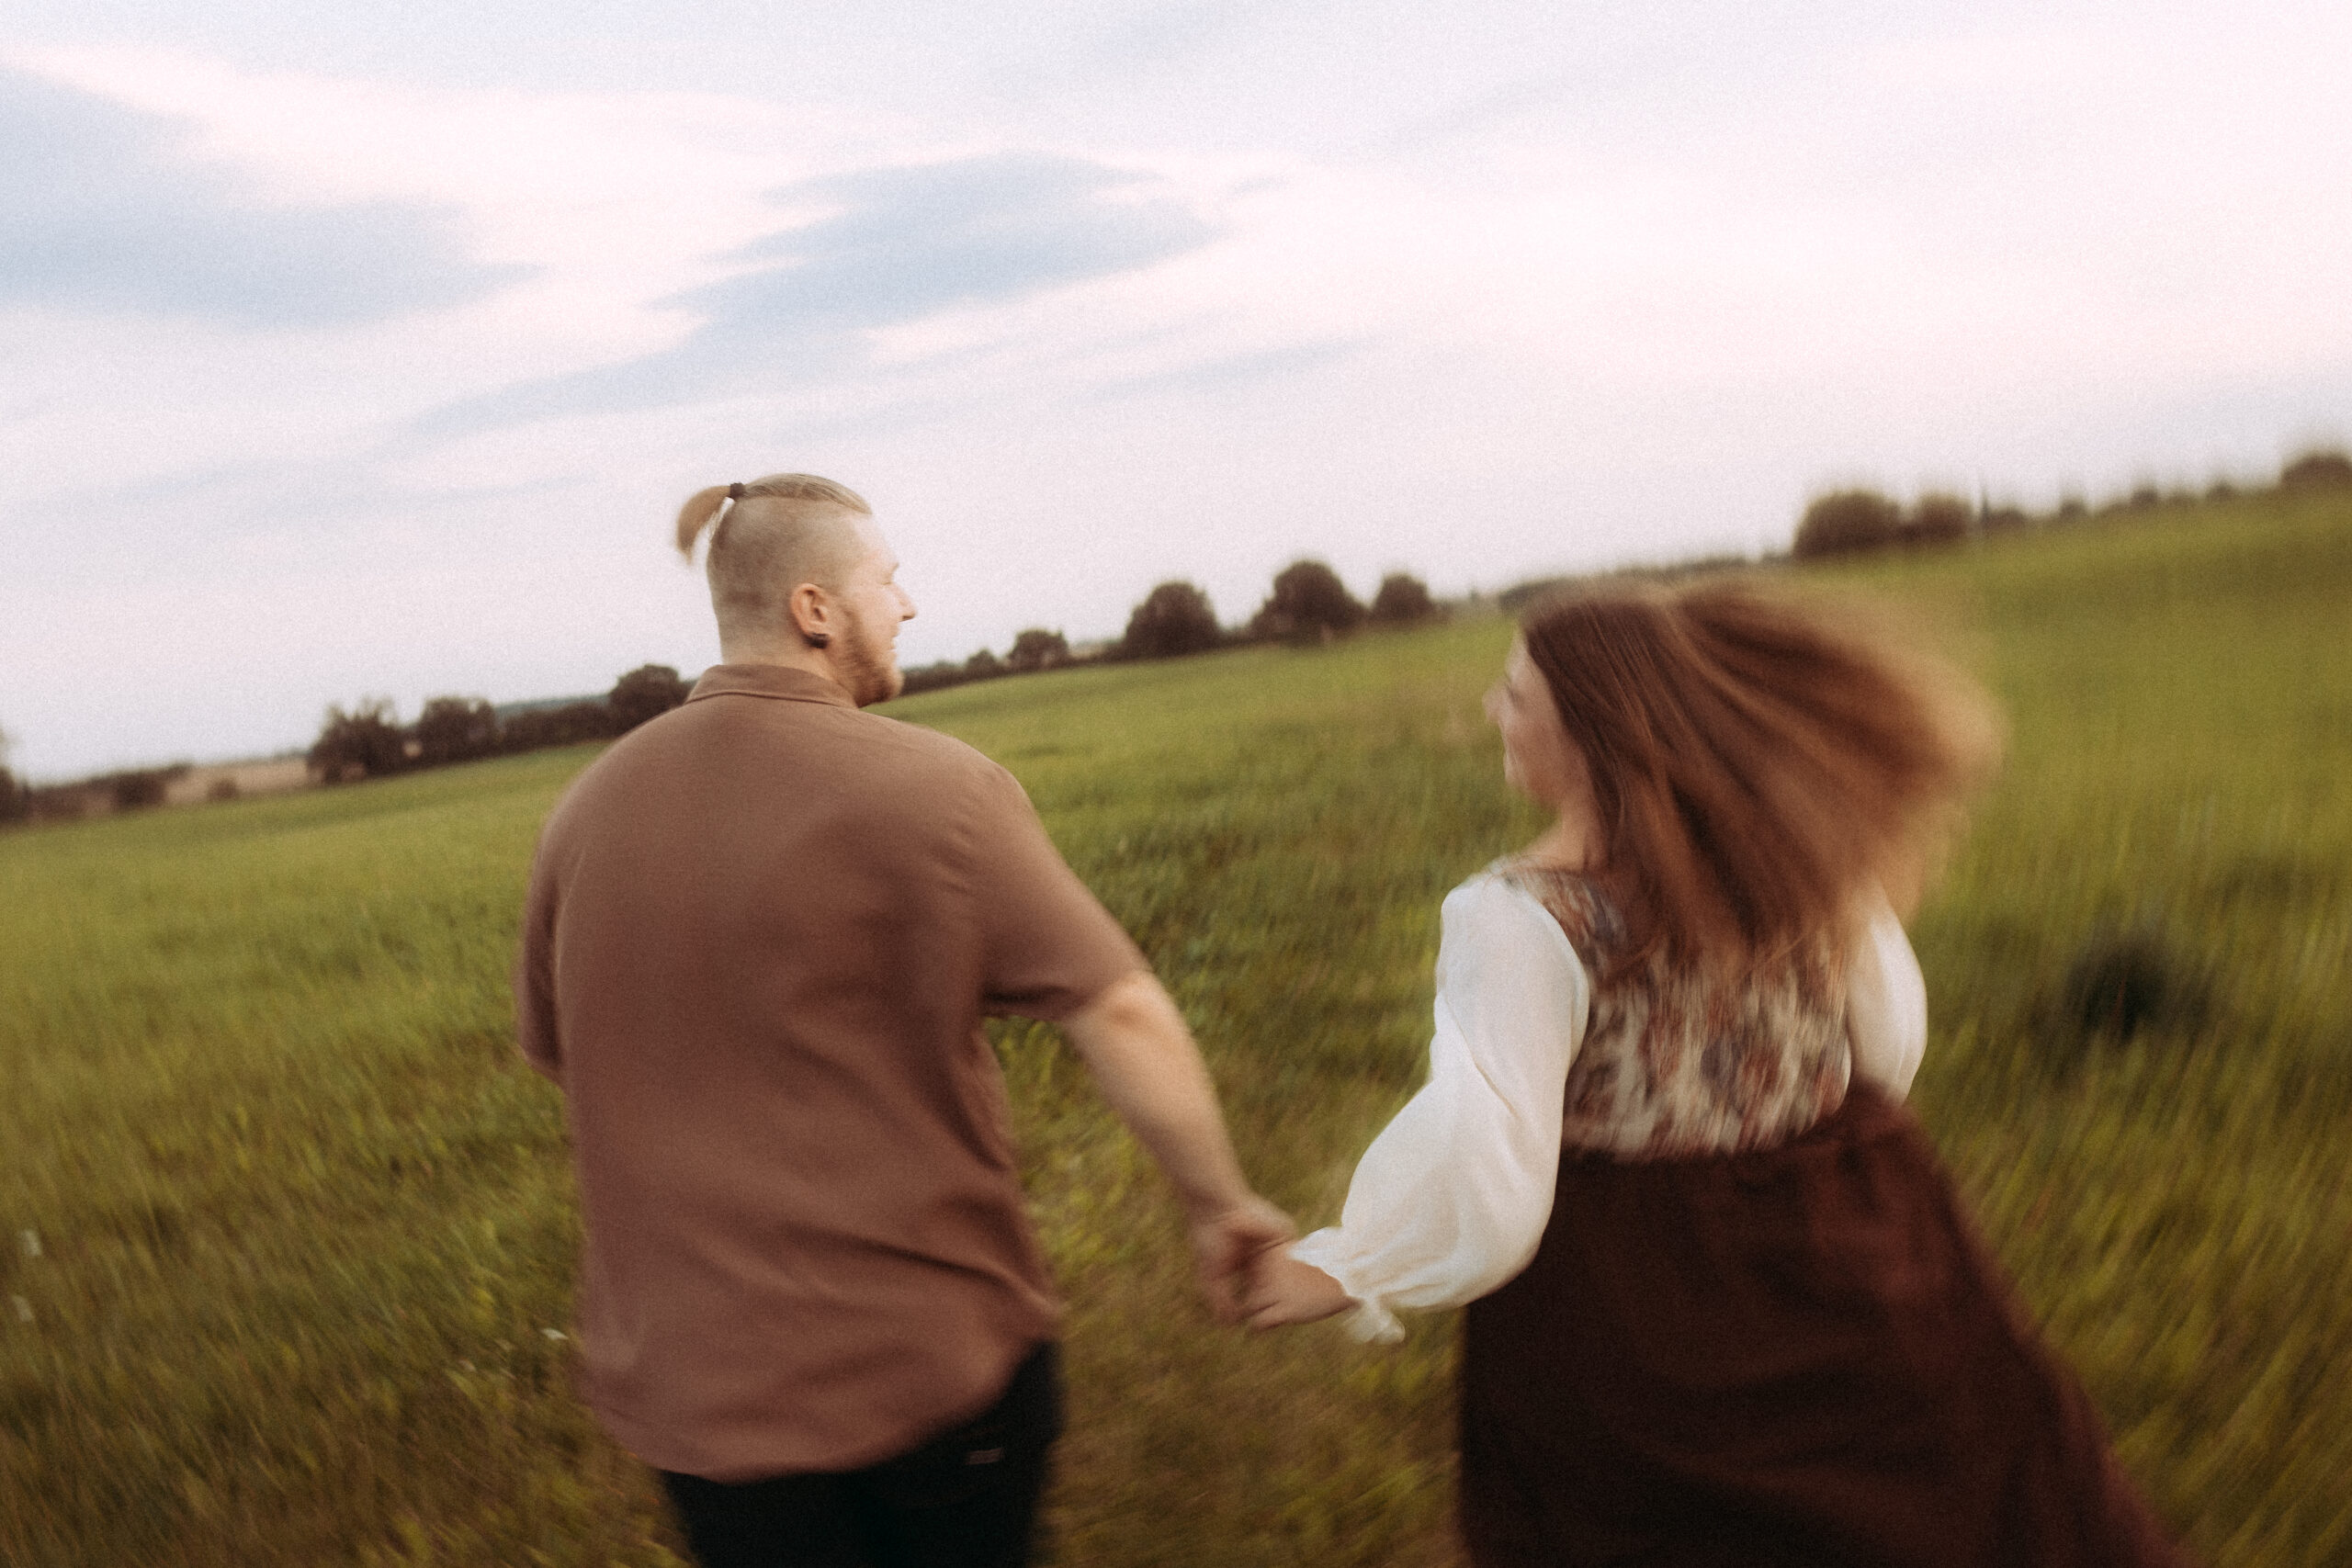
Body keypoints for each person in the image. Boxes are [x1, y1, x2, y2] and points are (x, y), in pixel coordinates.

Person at [1241, 581, 2190, 1566]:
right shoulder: (1793, 856)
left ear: (1590, 727)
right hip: (1852, 1229)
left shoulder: (1518, 918)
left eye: (1515, 695)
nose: (1493, 712)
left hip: (1637, 1296)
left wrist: (1342, 1266)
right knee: (1929, 1505)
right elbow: (1888, 1042)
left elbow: (1493, 1171)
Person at [514, 472, 1292, 1568]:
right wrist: (1219, 1206)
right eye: (889, 581)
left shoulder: (583, 815)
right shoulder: (942, 789)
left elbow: (568, 1059)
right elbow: (1116, 1007)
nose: (909, 607)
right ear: (815, 609)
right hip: (926, 1374)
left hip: (701, 1410)